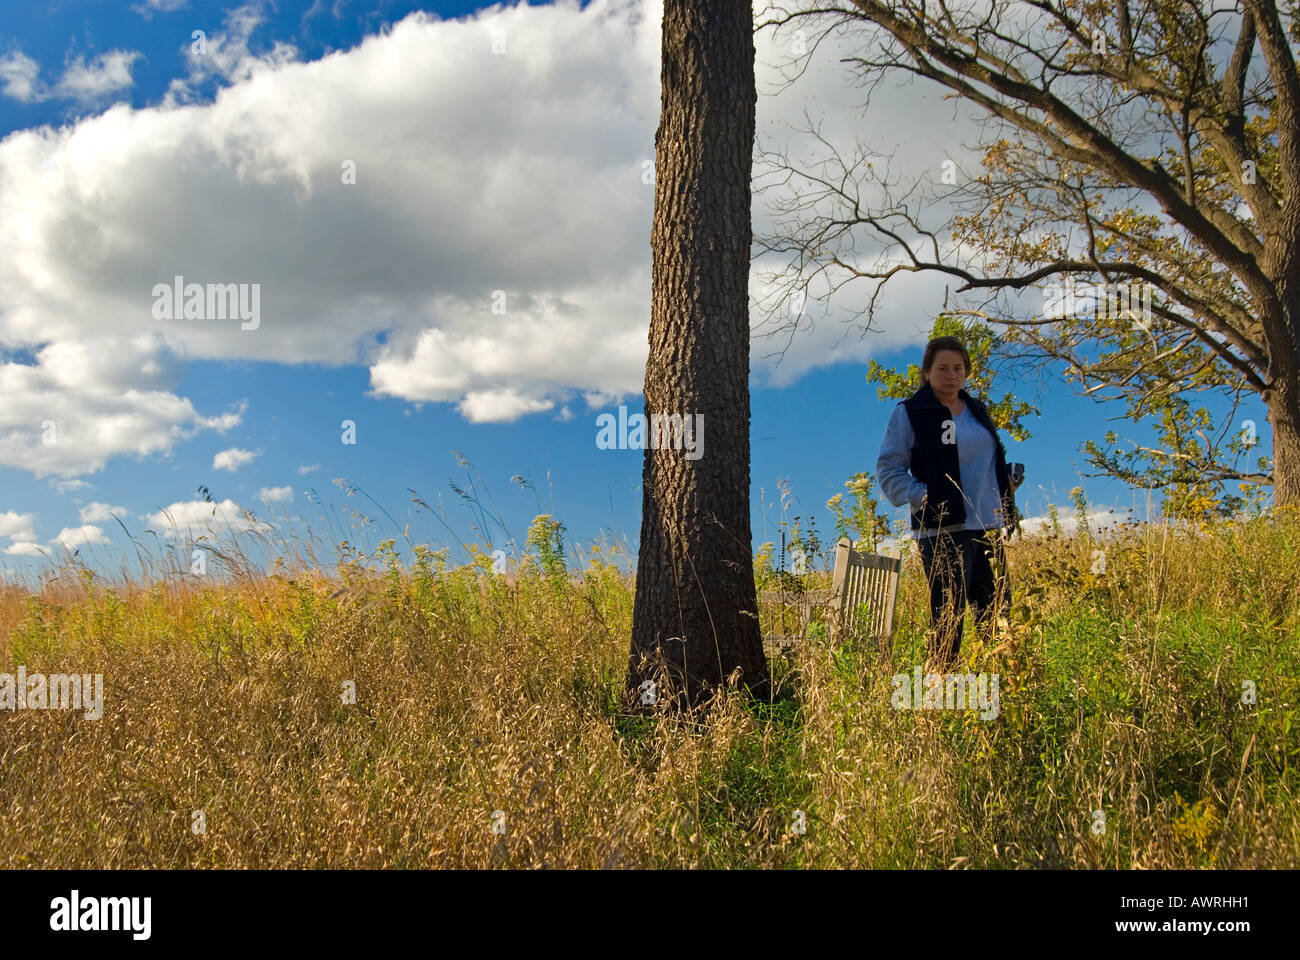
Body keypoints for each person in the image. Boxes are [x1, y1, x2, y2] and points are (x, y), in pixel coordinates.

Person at [875, 336, 1022, 669]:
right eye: (942, 368)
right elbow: (888, 469)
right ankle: (939, 703)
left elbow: (982, 462)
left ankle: (1004, 701)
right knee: (948, 623)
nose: (951, 375)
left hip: (987, 528)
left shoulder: (977, 411)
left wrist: (1005, 480)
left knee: (999, 620)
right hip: (942, 531)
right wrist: (924, 496)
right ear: (927, 372)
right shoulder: (911, 412)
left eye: (958, 368)